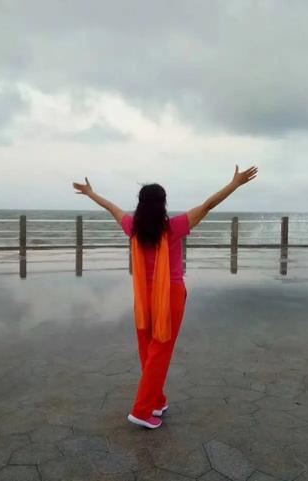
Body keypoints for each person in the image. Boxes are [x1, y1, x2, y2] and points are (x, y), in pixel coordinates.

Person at [72, 165, 258, 428]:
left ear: (140, 205)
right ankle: (142, 410)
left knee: (148, 348)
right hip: (169, 295)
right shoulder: (173, 228)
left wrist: (91, 193)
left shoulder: (132, 227)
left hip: (143, 297)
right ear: (163, 205)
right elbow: (208, 205)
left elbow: (112, 208)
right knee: (160, 350)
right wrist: (234, 184)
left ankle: (156, 401)